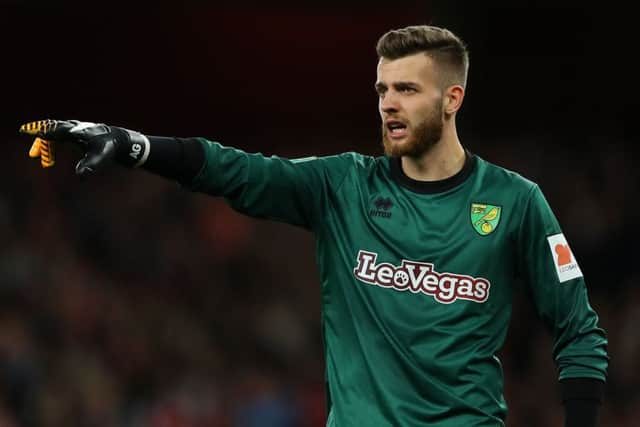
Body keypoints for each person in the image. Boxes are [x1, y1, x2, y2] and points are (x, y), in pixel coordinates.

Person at [20, 25, 608, 427]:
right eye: (382, 88)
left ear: (452, 98)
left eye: (407, 88)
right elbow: (235, 170)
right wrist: (134, 145)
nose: (388, 104)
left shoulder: (515, 202)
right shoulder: (342, 186)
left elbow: (579, 331)